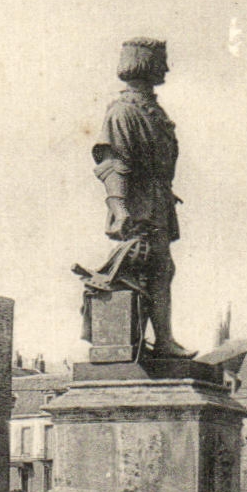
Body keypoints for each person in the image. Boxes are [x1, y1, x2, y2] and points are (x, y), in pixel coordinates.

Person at [91, 37, 194, 359]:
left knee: (162, 269)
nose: (165, 67)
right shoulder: (123, 111)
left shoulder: (151, 111)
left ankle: (162, 340)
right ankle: (136, 344)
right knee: (142, 269)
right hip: (140, 204)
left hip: (158, 200)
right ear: (145, 64)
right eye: (160, 61)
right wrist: (120, 208)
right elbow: (113, 162)